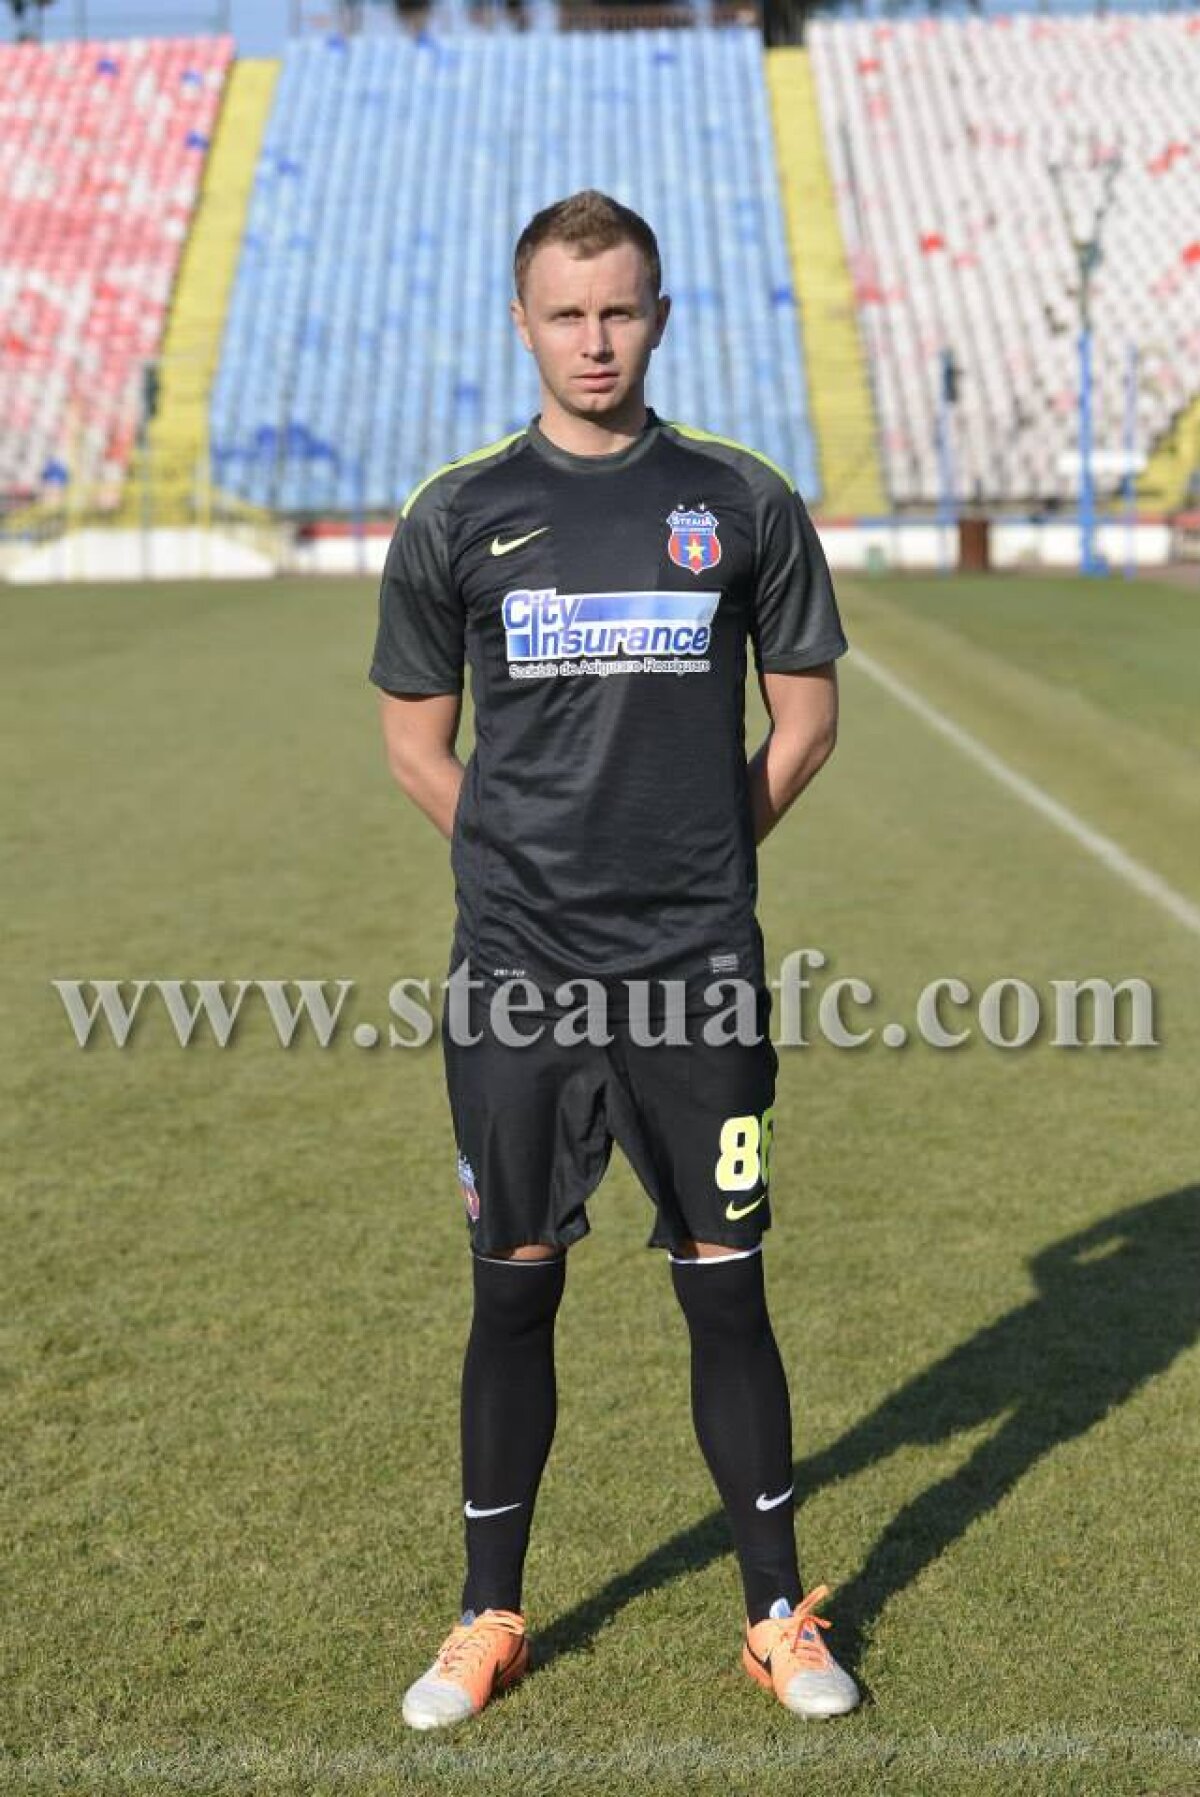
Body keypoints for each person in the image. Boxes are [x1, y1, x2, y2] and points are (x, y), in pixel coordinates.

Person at [370, 189, 859, 1730]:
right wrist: (530, 880)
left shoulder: (741, 497)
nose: (596, 339)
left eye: (622, 308)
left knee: (728, 1287)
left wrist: (699, 871)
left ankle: (778, 1613)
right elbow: (411, 740)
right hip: (516, 977)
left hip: (697, 972)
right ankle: (485, 1617)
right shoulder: (458, 512)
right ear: (523, 322)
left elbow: (807, 721)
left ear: (660, 315)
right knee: (513, 1287)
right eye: (568, 312)